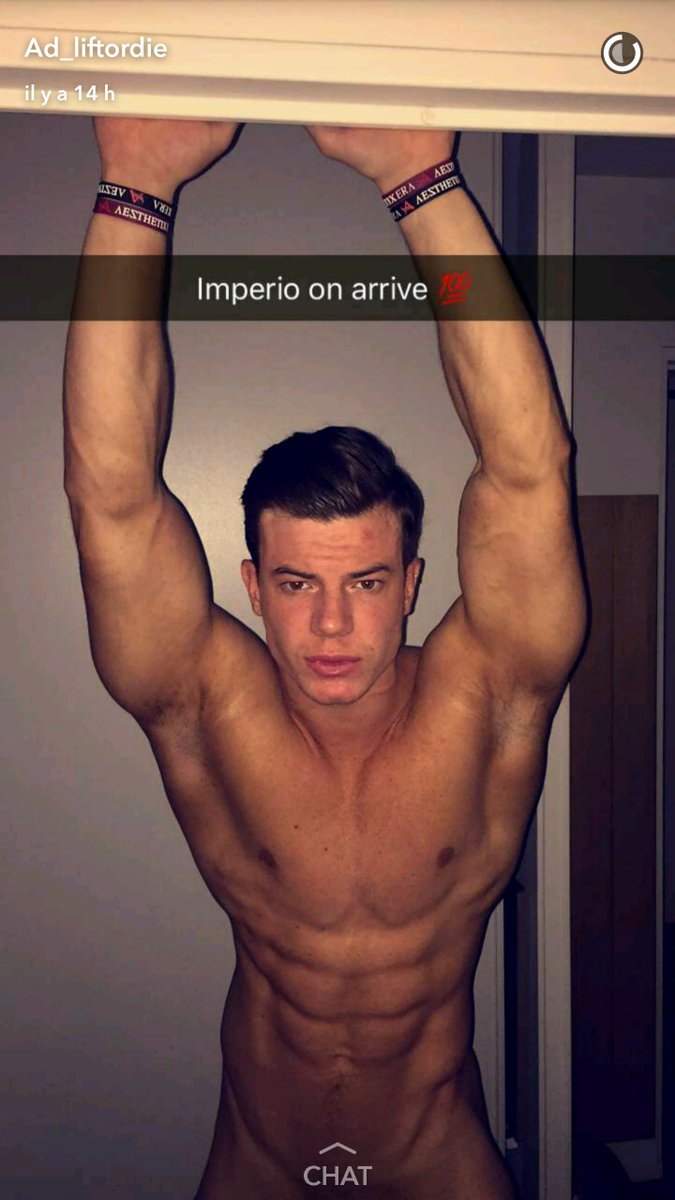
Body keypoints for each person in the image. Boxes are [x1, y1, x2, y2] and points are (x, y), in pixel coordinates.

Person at [63, 115, 587, 1200]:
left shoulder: (488, 693)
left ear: (413, 581)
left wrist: (420, 180)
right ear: (253, 586)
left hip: (437, 1161)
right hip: (261, 1161)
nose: (334, 627)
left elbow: (528, 466)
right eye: (298, 585)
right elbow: (110, 495)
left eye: (367, 583)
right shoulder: (206, 703)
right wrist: (135, 185)